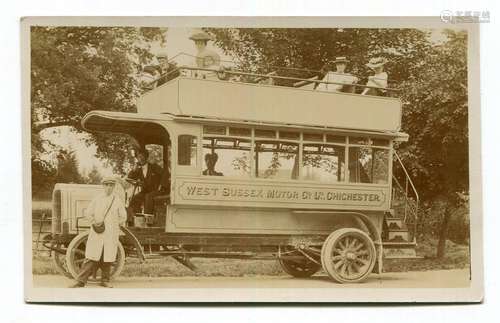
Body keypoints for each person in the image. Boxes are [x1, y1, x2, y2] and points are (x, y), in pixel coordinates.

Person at [69, 177, 127, 288]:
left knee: (108, 257)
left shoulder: (117, 200)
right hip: (97, 232)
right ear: (103, 186)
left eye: (111, 185)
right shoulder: (97, 199)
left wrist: (114, 225)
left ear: (114, 187)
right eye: (107, 185)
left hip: (110, 233)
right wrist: (95, 222)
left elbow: (123, 216)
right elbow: (88, 213)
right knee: (91, 256)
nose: (109, 188)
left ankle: (105, 280)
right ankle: (81, 281)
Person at [126, 148, 163, 222]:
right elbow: (130, 178)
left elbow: (164, 175)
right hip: (145, 191)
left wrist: (161, 186)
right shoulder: (138, 170)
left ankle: (148, 221)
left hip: (156, 190)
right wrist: (134, 169)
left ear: (146, 157)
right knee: (134, 199)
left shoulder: (154, 167)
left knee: (148, 197)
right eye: (139, 157)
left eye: (142, 156)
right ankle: (138, 219)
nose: (141, 159)